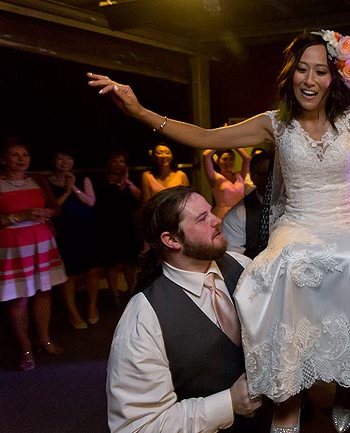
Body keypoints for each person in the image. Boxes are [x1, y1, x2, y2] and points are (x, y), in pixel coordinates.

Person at [88, 28, 350, 433]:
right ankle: (287, 397)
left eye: (320, 70)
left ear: (335, 76)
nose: (309, 79)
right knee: (275, 272)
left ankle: (348, 383)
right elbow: (204, 136)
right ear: (291, 73)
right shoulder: (274, 123)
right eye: (302, 69)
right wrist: (140, 112)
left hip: (343, 221)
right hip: (297, 223)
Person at [106, 187, 263, 433]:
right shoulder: (144, 317)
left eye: (210, 212)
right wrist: (228, 403)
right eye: (202, 218)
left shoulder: (243, 266)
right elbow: (139, 426)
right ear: (172, 240)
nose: (217, 220)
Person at [0, 138, 67, 370]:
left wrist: (48, 212)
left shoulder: (37, 179)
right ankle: (25, 348)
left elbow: (56, 209)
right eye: (15, 154)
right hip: (11, 247)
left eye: (25, 155)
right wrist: (17, 217)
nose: (21, 159)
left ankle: (44, 339)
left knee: (43, 292)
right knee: (19, 297)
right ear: (2, 159)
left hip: (40, 243)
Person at [47, 148, 100, 329]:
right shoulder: (48, 182)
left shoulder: (83, 179)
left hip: (86, 231)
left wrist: (74, 187)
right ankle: (73, 313)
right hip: (64, 233)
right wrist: (66, 192)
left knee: (92, 270)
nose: (65, 162)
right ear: (53, 161)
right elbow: (52, 208)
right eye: (60, 158)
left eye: (68, 158)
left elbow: (91, 202)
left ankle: (92, 307)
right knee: (69, 274)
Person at [92, 148, 142, 304]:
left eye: (121, 161)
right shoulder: (100, 180)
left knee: (130, 262)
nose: (118, 164)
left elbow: (139, 197)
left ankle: (132, 291)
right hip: (108, 227)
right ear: (108, 163)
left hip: (128, 226)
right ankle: (114, 295)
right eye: (114, 161)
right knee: (111, 263)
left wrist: (127, 182)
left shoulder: (130, 180)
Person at [222, 150, 273, 259]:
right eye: (270, 174)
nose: (278, 179)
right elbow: (234, 260)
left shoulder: (298, 207)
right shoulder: (237, 216)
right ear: (255, 178)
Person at [203, 148, 251, 219]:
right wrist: (222, 143)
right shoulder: (215, 177)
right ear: (218, 161)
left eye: (231, 159)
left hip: (240, 214)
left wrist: (235, 144)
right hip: (223, 216)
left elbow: (247, 158)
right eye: (224, 159)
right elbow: (206, 155)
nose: (228, 163)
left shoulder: (240, 175)